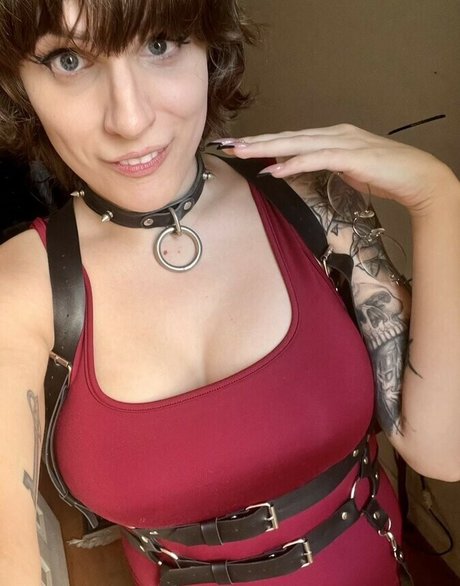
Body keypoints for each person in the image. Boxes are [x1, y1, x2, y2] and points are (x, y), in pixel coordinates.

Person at [0, 1, 459, 585]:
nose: (130, 119)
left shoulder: (306, 200)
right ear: (20, 81)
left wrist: (438, 198)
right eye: (69, 59)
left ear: (209, 46)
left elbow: (441, 450)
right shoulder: (19, 288)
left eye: (160, 43)